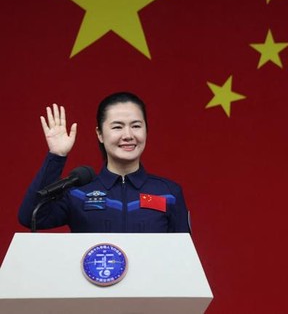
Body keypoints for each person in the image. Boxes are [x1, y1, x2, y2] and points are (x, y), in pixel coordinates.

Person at [18, 92, 190, 233]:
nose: (128, 135)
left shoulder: (169, 193)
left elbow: (184, 257)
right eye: (117, 127)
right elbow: (31, 217)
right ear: (99, 134)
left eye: (136, 126)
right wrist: (57, 155)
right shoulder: (78, 192)